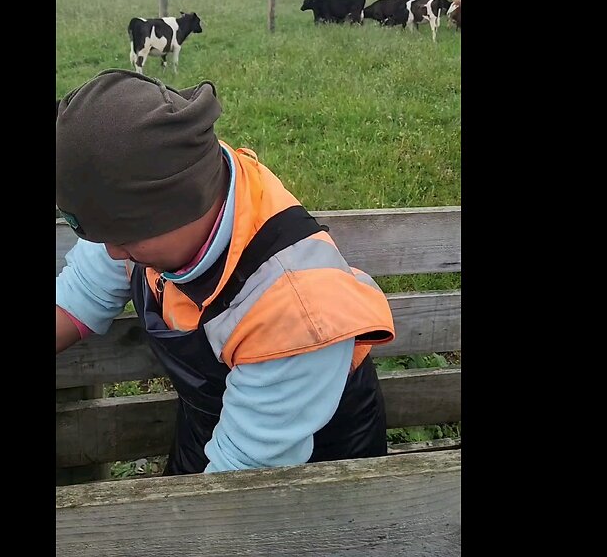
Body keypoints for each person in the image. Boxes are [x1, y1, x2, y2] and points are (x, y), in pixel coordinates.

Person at [55, 69, 396, 475]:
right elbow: (78, 297)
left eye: (123, 234)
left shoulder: (296, 310)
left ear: (182, 203)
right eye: (95, 230)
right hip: (210, 428)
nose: (110, 250)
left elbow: (236, 484)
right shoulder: (162, 181)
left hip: (308, 474)